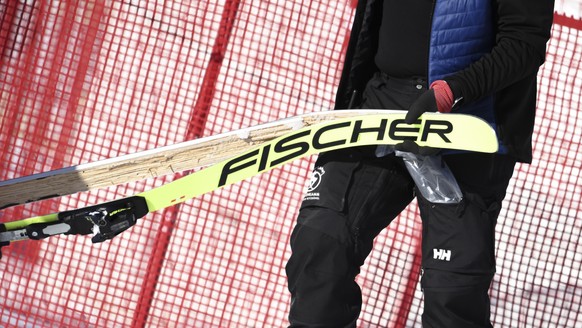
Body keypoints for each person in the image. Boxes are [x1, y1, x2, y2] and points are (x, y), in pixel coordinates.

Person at [285, 0, 555, 327]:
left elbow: (525, 43)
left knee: (453, 291)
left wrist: (452, 92)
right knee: (321, 244)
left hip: (470, 120)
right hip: (379, 107)